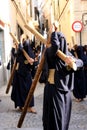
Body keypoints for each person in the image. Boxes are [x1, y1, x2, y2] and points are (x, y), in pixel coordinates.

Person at [41, 21, 83, 130]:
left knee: (64, 119)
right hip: (53, 89)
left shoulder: (67, 55)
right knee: (55, 119)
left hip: (66, 91)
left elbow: (80, 63)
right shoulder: (50, 52)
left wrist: (72, 61)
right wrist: (54, 31)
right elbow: (55, 47)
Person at [11, 34, 37, 113]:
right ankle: (21, 105)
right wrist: (14, 48)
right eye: (22, 39)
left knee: (28, 90)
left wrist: (32, 62)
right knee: (19, 89)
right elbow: (15, 56)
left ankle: (30, 106)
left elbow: (32, 60)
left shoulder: (27, 47)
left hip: (26, 73)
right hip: (19, 72)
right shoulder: (19, 49)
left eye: (24, 39)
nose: (23, 41)